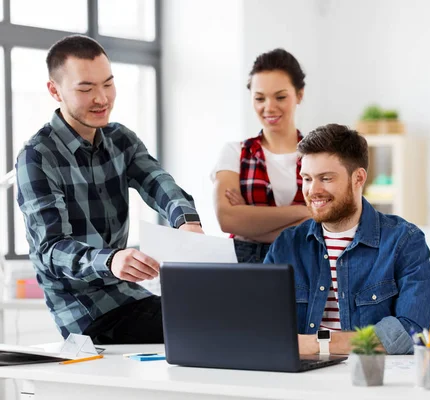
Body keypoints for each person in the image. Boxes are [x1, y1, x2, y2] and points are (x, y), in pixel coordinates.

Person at [15, 35, 204, 344]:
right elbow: (50, 249)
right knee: (205, 320)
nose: (102, 98)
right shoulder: (37, 157)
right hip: (86, 314)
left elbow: (157, 181)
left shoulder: (119, 139)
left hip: (130, 295)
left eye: (108, 84)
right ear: (54, 90)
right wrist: (111, 260)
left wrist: (186, 222)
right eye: (86, 88)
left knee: (216, 308)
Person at [264, 124, 430, 355]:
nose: (313, 190)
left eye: (325, 178)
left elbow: (411, 329)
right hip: (301, 376)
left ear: (358, 178)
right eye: (307, 179)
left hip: (372, 375)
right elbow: (261, 321)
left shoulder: (404, 241)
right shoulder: (287, 245)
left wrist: (319, 345)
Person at [211, 48, 310, 263]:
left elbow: (328, 223)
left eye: (280, 97)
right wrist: (304, 212)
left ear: (299, 95)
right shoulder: (234, 152)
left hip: (306, 266)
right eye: (259, 98)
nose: (269, 107)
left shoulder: (319, 155)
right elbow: (227, 219)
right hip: (246, 270)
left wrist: (249, 223)